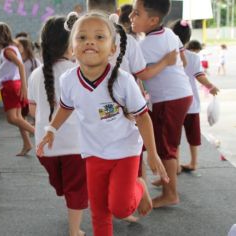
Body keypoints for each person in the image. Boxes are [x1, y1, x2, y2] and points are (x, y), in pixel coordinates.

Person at [37, 11, 169, 236]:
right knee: (98, 212)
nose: (90, 41)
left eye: (99, 37)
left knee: (119, 207)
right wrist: (51, 129)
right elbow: (66, 107)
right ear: (72, 48)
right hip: (93, 153)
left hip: (125, 152)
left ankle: (139, 187)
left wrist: (153, 154)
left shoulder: (123, 81)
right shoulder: (68, 80)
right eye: (82, 37)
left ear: (112, 49)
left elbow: (143, 117)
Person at [129, 0, 193, 208]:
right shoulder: (169, 34)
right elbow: (181, 60)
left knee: (165, 146)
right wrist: (167, 63)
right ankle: (167, 178)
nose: (131, 17)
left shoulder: (146, 45)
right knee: (166, 142)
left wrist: (164, 63)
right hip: (180, 94)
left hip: (170, 98)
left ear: (153, 20)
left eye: (136, 14)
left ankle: (170, 194)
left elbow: (143, 73)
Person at [28, 16, 88, 236]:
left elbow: (32, 111)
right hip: (75, 146)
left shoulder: (35, 74)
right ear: (71, 43)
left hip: (46, 149)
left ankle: (73, 205)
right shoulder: (80, 72)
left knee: (65, 186)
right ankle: (75, 230)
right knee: (76, 188)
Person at [171, 21, 219, 173]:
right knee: (193, 135)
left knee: (175, 136)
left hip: (175, 103)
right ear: (188, 38)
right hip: (191, 104)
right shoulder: (193, 57)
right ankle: (193, 162)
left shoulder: (169, 56)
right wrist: (211, 87)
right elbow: (200, 77)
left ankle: (176, 165)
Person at [0, 22, 35, 156]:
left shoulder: (7, 51)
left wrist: (24, 86)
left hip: (12, 85)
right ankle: (27, 143)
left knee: (12, 118)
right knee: (19, 117)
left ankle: (39, 133)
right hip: (12, 84)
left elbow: (21, 65)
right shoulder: (12, 48)